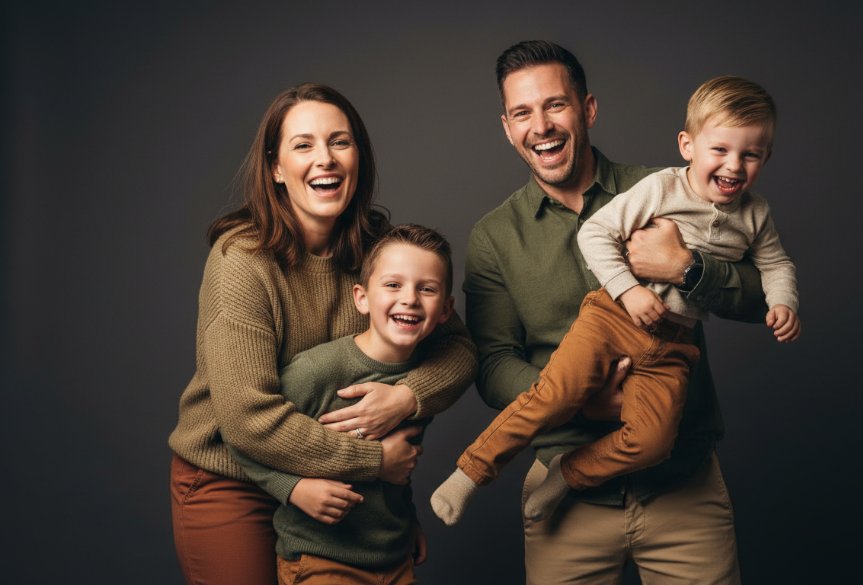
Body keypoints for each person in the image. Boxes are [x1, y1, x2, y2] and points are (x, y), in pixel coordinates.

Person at [448, 41, 768, 584]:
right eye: (523, 112)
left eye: (556, 105)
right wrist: (580, 399)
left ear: (587, 110)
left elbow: (764, 300)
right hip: (565, 507)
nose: (541, 125)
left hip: (683, 490)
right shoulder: (494, 237)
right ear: (507, 127)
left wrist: (686, 268)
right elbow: (493, 361)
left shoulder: (675, 187)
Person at [167, 84, 476, 585]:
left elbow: (459, 350)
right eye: (303, 145)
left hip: (338, 487)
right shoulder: (241, 261)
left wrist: (404, 399)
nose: (325, 160)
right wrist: (375, 460)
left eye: (340, 142)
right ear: (275, 168)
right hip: (231, 475)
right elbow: (247, 420)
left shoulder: (382, 254)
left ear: (360, 158)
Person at [228, 224, 458, 585]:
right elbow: (242, 440)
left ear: (445, 310)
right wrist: (294, 488)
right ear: (361, 298)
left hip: (394, 556)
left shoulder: (422, 380)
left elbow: (401, 465)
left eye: (426, 289)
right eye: (393, 285)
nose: (410, 299)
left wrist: (407, 519)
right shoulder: (320, 370)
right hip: (322, 557)